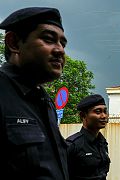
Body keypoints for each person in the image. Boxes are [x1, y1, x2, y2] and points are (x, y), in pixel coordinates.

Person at [0, 7, 69, 179]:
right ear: (14, 43)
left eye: (62, 43)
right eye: (48, 39)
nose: (60, 50)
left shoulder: (46, 102)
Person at [67, 94, 111, 180]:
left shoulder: (102, 143)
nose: (104, 116)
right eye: (98, 112)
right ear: (83, 116)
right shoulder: (72, 145)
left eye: (105, 111)